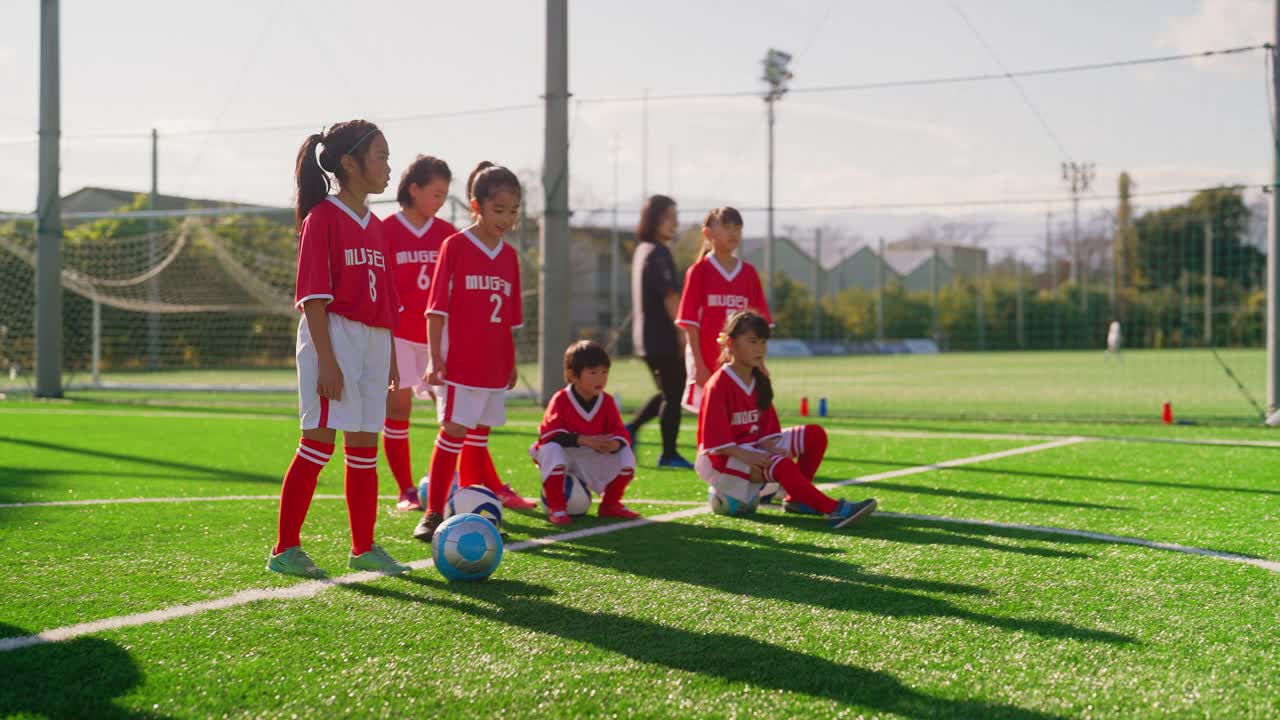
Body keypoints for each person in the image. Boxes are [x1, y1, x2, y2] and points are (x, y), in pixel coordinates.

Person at [269, 120, 411, 578]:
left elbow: (385, 298)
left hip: (373, 342)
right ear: (349, 163)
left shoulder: (377, 227)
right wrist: (326, 361)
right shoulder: (323, 218)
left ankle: (363, 547)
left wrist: (390, 356)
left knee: (366, 447)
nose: (389, 167)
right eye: (381, 156)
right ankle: (285, 549)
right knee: (317, 445)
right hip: (333, 336)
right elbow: (312, 296)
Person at [413, 162, 533, 544]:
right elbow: (436, 308)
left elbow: (509, 320)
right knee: (452, 432)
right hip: (460, 361)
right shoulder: (456, 246)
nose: (507, 218)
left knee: (479, 438)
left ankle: (467, 509)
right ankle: (433, 512)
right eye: (499, 210)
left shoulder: (510, 257)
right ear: (475, 207)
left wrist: (510, 361)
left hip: (493, 364)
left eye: (513, 211)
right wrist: (435, 358)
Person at [697, 309, 877, 528]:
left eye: (763, 342)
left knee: (814, 435)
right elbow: (714, 444)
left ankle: (798, 500)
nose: (760, 348)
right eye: (752, 341)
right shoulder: (718, 385)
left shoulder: (758, 378)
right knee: (781, 464)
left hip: (753, 447)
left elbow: (767, 430)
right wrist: (750, 456)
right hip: (727, 459)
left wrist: (773, 446)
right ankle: (836, 510)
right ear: (731, 344)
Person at [382, 155, 458, 511]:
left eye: (444, 196)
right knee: (398, 406)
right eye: (436, 193)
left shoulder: (448, 235)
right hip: (396, 334)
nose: (440, 202)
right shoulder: (385, 230)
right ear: (414, 189)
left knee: (455, 409)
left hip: (436, 335)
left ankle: (465, 483)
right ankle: (406, 489)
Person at [531, 341, 639, 525]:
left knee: (626, 455)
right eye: (593, 373)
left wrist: (615, 443)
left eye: (604, 372)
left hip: (591, 453)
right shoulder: (561, 399)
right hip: (566, 451)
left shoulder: (607, 401)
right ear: (572, 375)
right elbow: (549, 434)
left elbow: (619, 431)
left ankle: (610, 505)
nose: (600, 378)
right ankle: (556, 507)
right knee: (551, 450)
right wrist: (584, 440)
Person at [676, 207, 771, 414]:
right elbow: (690, 325)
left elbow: (760, 327)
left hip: (742, 363)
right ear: (708, 234)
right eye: (727, 227)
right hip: (708, 361)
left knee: (741, 417)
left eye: (738, 227)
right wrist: (699, 366)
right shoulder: (699, 272)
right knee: (711, 419)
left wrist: (760, 363)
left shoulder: (749, 274)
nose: (733, 232)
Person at [624, 195, 693, 468]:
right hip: (661, 337)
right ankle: (669, 454)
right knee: (674, 394)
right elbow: (670, 297)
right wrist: (682, 332)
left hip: (647, 337)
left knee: (669, 391)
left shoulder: (644, 249)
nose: (675, 222)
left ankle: (631, 429)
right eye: (669, 217)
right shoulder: (657, 252)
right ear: (654, 219)